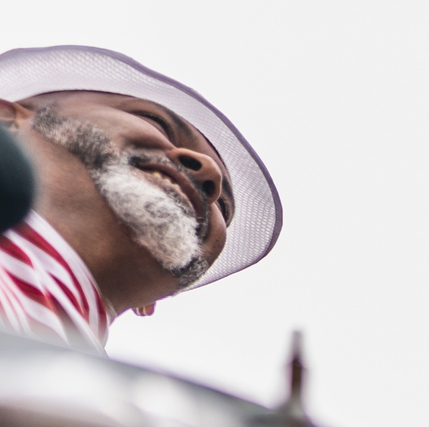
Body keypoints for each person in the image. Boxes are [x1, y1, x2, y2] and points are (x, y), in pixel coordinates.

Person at [0, 45, 280, 350]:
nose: (209, 172)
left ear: (152, 301)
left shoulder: (108, 392)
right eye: (156, 122)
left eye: (223, 208)